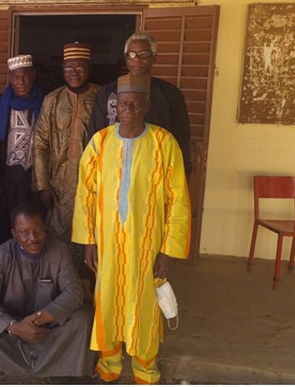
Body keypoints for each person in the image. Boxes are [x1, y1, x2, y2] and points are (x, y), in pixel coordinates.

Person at [72, 73, 191, 384]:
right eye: (123, 104)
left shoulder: (164, 143)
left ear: (147, 105)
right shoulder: (99, 143)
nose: (128, 109)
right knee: (107, 301)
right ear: (115, 106)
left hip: (147, 245)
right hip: (107, 245)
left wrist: (168, 249)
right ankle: (108, 368)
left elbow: (179, 199)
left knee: (144, 306)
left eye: (135, 104)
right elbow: (86, 193)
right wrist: (88, 241)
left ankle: (145, 371)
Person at [0, 203, 96, 380]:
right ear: (14, 233)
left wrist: (40, 318)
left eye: (38, 231)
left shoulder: (59, 251)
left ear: (45, 229)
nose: (33, 238)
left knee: (82, 320)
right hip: (12, 327)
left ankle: (51, 368)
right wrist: (15, 327)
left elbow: (74, 292)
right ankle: (30, 365)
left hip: (49, 326)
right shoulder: (1, 255)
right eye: (24, 232)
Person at [32, 42, 99, 278]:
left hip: (93, 184)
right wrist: (42, 186)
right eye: (69, 67)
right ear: (63, 70)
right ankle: (59, 287)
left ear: (88, 69)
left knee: (92, 237)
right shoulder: (52, 100)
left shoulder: (102, 97)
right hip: (59, 184)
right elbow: (40, 143)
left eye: (79, 67)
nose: (74, 73)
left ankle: (89, 292)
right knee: (58, 237)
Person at [87, 32, 192, 176]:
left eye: (143, 54)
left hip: (155, 169)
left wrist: (181, 174)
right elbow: (95, 135)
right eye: (132, 54)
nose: (137, 59)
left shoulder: (170, 94)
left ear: (154, 57)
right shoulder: (107, 92)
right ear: (126, 58)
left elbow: (181, 136)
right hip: (113, 169)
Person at [0, 54, 44, 241]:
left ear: (33, 75)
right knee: (5, 224)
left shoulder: (45, 102)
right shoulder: (0, 102)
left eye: (25, 75)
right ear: (9, 78)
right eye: (16, 77)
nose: (21, 81)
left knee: (33, 224)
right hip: (6, 178)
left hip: (33, 178)